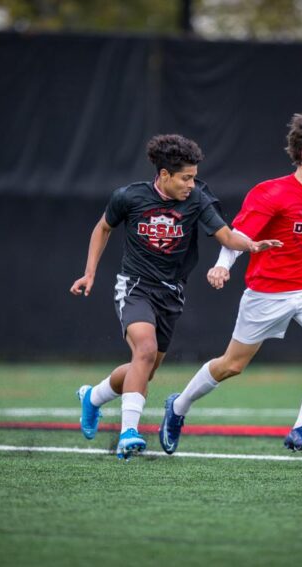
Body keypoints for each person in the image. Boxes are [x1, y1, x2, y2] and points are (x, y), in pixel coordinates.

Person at [70, 134, 281, 460]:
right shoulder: (129, 197)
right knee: (145, 349)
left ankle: (93, 397)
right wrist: (90, 273)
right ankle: (129, 432)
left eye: (194, 177)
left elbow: (225, 235)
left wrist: (251, 245)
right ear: (164, 175)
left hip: (171, 293)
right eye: (186, 177)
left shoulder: (197, 199)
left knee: (145, 369)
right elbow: (103, 228)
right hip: (135, 285)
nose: (191, 183)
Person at [159, 110, 302, 456]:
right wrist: (223, 266)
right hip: (268, 292)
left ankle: (301, 427)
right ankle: (178, 407)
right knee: (231, 365)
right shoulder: (271, 193)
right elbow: (239, 236)